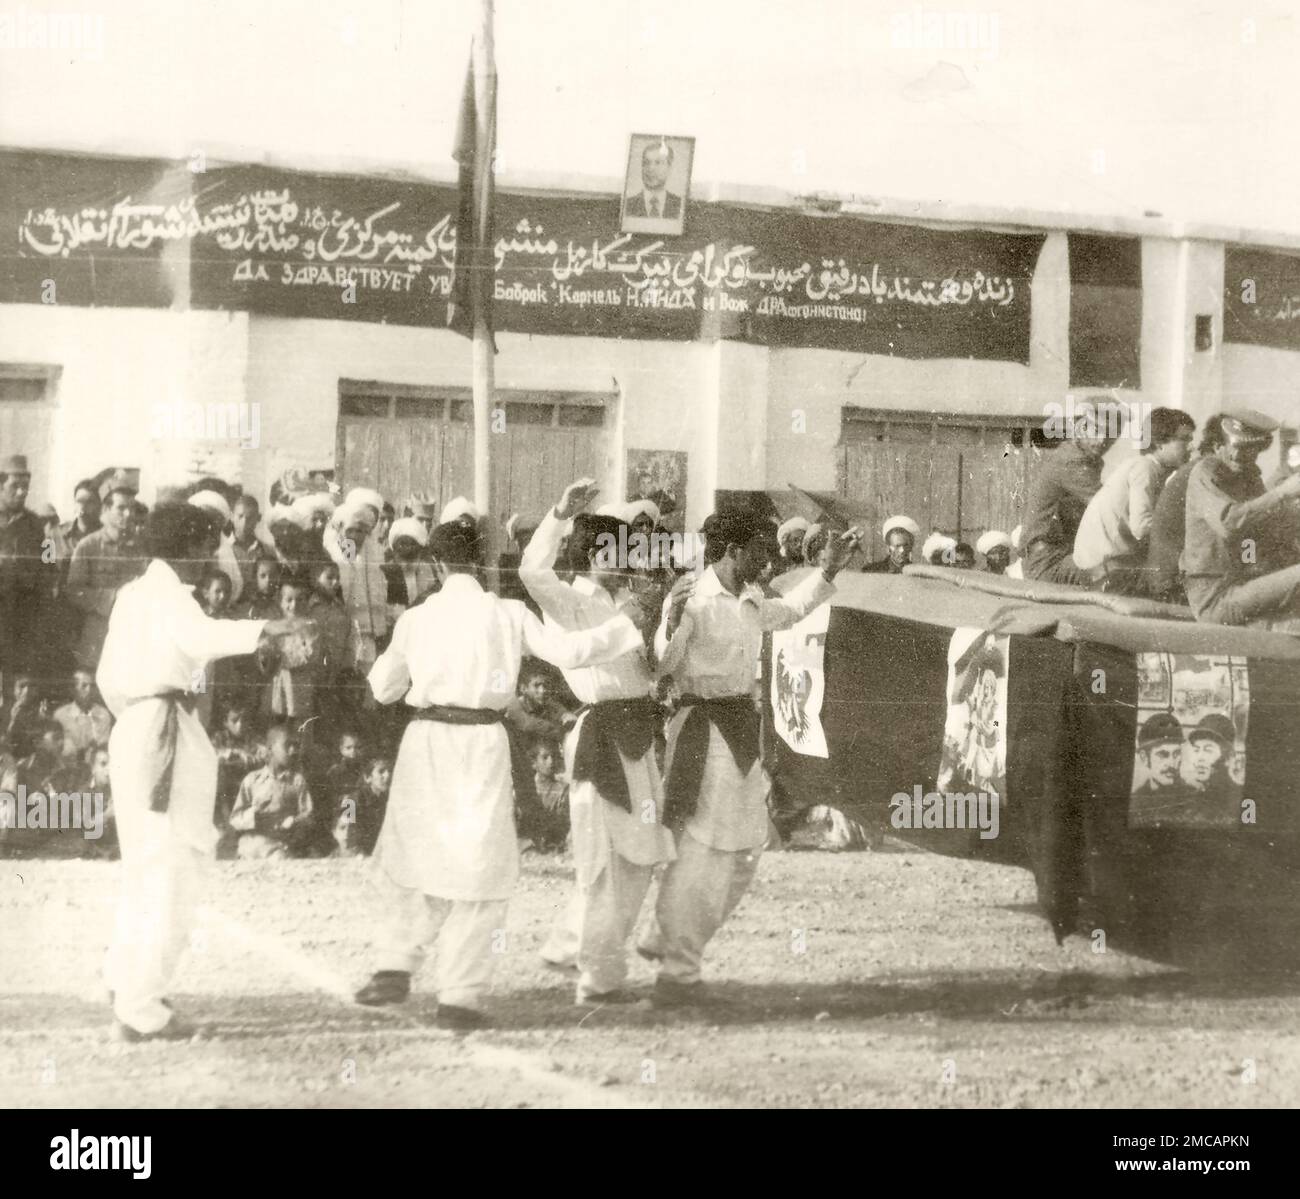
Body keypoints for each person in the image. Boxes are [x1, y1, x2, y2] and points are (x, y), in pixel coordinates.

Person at [352, 520, 651, 1030]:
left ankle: (393, 966)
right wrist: (624, 623)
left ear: (438, 564)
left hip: (426, 741)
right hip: (483, 741)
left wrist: (419, 669)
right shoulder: (508, 613)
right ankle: (459, 996)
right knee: (482, 866)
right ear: (482, 562)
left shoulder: (416, 620)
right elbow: (572, 653)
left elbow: (382, 689)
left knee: (413, 854)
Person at [95, 502, 306, 1040]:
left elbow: (107, 680)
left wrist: (141, 720)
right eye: (209, 544)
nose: (214, 554)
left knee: (148, 863)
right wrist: (270, 627)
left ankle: (125, 980)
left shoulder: (133, 594)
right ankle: (141, 1010)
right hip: (163, 727)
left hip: (138, 724)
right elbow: (203, 639)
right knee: (174, 865)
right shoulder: (168, 596)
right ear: (187, 548)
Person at [638, 511, 861, 1005]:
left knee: (743, 854)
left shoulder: (750, 598)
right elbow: (661, 668)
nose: (768, 557)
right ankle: (677, 973)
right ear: (733, 550)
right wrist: (670, 621)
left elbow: (789, 612)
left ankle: (664, 935)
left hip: (740, 731)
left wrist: (827, 572)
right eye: (759, 548)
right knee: (703, 853)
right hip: (702, 731)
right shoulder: (691, 599)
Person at [518, 480, 678, 1004]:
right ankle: (599, 976)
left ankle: (571, 947)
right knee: (603, 861)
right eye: (617, 551)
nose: (629, 559)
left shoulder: (631, 600)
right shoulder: (570, 601)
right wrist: (559, 512)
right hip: (600, 736)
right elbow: (531, 573)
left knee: (639, 857)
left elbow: (651, 666)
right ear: (593, 555)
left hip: (637, 734)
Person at [1181, 408, 1300, 629]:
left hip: (1243, 585)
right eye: (1236, 448)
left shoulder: (1248, 478)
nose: (1239, 456)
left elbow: (1267, 529)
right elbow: (1230, 523)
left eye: (1249, 451)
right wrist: (1282, 492)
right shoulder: (1205, 473)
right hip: (1216, 597)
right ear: (1218, 446)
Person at [1073, 407, 1196, 594]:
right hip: (1108, 574)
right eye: (1184, 439)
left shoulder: (1148, 468)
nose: (1191, 447)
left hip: (1106, 568)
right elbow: (1141, 527)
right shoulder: (1145, 469)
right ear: (1160, 443)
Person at [1021, 400, 1119, 585]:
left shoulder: (1086, 459)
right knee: (1119, 574)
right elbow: (1109, 509)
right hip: (1048, 562)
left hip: (1060, 555)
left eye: (1110, 436)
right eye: (1096, 431)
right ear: (1080, 427)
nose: (1102, 441)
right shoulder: (1071, 461)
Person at [67, 484, 144, 671]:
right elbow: (74, 591)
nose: (128, 514)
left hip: (130, 638)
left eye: (132, 508)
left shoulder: (141, 549)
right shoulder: (88, 546)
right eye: (121, 508)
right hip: (97, 638)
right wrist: (113, 597)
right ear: (106, 509)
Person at [0, 455, 55, 697]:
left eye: (26, 487)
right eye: (15, 486)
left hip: (19, 619)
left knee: (15, 687)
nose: (22, 492)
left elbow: (50, 563)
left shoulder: (37, 525)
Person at [228, 724, 315, 859]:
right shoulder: (252, 780)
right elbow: (235, 820)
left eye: (295, 746)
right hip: (252, 844)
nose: (293, 750)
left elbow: (308, 815)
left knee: (279, 857)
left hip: (278, 846)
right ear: (270, 748)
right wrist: (254, 812)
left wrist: (294, 821)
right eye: (287, 745)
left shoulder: (296, 781)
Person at [335, 755, 391, 856]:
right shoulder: (352, 800)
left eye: (389, 771)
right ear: (367, 777)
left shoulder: (388, 800)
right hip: (355, 853)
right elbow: (345, 830)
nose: (387, 775)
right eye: (381, 771)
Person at [53, 668, 113, 761]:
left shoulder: (103, 714)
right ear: (73, 688)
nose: (88, 690)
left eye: (92, 686)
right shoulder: (61, 715)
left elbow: (103, 748)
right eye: (84, 685)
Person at [1132, 712, 1187, 810]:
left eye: (1176, 753)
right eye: (1163, 755)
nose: (1172, 763)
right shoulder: (1135, 802)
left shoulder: (1192, 798)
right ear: (1144, 758)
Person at [383, 517, 437, 611]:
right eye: (402, 543)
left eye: (412, 544)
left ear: (420, 548)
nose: (407, 549)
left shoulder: (426, 569)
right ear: (394, 547)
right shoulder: (385, 571)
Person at [626, 139, 683, 220]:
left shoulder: (680, 205)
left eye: (658, 162)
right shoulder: (627, 205)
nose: (651, 168)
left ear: (669, 168)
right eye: (646, 162)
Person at [228, 495, 264, 598]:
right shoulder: (224, 549)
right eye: (240, 516)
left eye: (250, 518)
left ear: (258, 518)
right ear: (232, 516)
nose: (244, 522)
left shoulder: (265, 549)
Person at [61, 478, 102, 553]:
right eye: (79, 501)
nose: (83, 507)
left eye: (89, 502)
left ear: (99, 505)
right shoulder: (60, 534)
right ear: (74, 504)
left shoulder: (107, 536)